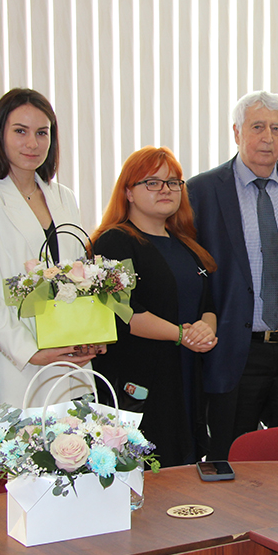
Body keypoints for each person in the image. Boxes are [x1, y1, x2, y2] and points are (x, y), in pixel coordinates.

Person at [187, 91, 278, 460]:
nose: (268, 137)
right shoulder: (202, 190)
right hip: (235, 349)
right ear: (236, 132)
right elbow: (193, 272)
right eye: (257, 127)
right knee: (231, 457)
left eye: (276, 129)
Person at [0, 89, 100, 409]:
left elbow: (79, 278)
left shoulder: (63, 197)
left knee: (78, 438)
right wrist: (29, 351)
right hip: (16, 363)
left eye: (42, 133)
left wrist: (89, 337)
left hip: (70, 359)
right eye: (20, 131)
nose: (32, 143)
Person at [89, 147, 217, 467]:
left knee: (186, 464)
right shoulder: (115, 241)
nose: (165, 190)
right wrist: (181, 335)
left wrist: (205, 329)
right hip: (141, 378)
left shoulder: (185, 243)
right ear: (129, 192)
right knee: (150, 468)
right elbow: (126, 312)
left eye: (173, 183)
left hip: (187, 373)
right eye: (152, 182)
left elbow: (208, 303)